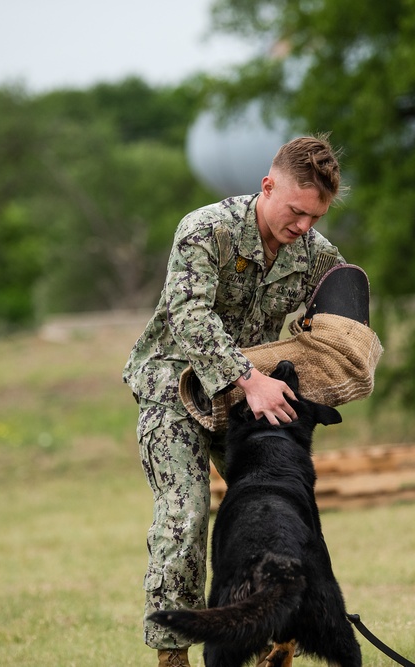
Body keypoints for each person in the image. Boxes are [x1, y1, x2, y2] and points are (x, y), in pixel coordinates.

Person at [123, 134, 347, 667]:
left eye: (315, 218)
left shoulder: (316, 254)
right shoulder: (206, 229)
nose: (303, 228)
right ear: (267, 186)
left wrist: (344, 360)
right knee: (186, 514)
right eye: (296, 212)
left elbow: (345, 313)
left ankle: (282, 636)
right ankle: (173, 656)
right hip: (174, 386)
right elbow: (189, 317)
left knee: (288, 510)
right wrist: (250, 378)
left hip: (249, 402)